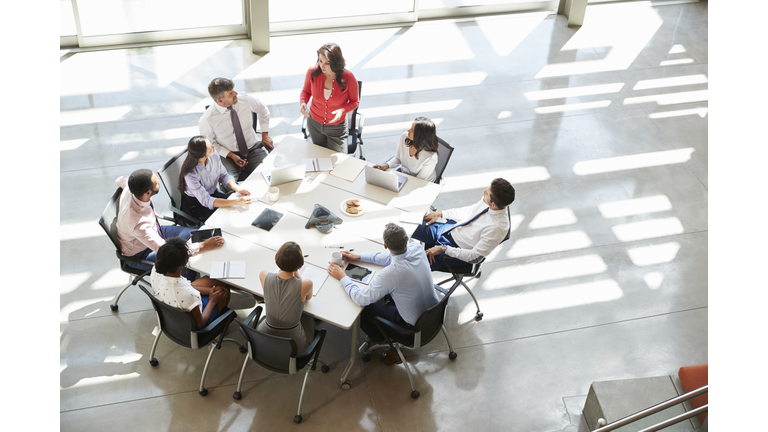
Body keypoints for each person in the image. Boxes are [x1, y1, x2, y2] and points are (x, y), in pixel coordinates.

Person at [326, 223, 439, 366]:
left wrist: (342, 276)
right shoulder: (417, 247)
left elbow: (361, 299)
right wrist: (359, 257)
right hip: (432, 314)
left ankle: (385, 343)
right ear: (407, 239)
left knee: (362, 310)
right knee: (386, 295)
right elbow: (390, 258)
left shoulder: (392, 273)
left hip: (412, 328)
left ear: (385, 245)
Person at [115, 169, 224, 278]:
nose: (159, 182)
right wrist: (203, 245)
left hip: (155, 230)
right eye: (157, 183)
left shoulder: (132, 186)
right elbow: (169, 252)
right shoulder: (140, 225)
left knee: (197, 234)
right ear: (148, 192)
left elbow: (119, 180)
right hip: (141, 254)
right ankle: (189, 289)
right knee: (187, 262)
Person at [411, 178, 515, 271]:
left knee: (411, 267)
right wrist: (441, 214)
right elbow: (469, 211)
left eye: (487, 193)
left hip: (455, 250)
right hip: (450, 230)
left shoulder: (497, 228)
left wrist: (444, 249)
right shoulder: (489, 201)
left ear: (494, 204)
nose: (484, 192)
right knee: (408, 224)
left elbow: (474, 257)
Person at [199, 77, 273, 183]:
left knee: (270, 175)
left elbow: (263, 110)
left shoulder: (245, 99)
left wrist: (265, 135)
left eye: (233, 90)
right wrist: (231, 155)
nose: (236, 93)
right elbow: (210, 145)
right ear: (220, 100)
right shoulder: (207, 120)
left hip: (252, 148)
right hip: (227, 155)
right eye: (230, 93)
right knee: (228, 184)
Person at [151, 237, 231, 328]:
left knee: (216, 283)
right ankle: (222, 328)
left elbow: (185, 288)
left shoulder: (156, 271)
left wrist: (209, 291)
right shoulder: (189, 294)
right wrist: (212, 301)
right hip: (194, 329)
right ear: (184, 263)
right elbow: (200, 323)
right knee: (224, 289)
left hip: (172, 319)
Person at [299, 43, 360, 153]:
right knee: (320, 158)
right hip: (314, 125)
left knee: (338, 163)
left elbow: (355, 101)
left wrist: (342, 110)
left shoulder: (348, 77)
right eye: (320, 61)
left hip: (337, 128)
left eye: (327, 63)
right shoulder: (312, 71)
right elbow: (306, 92)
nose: (322, 66)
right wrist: (303, 102)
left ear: (336, 62)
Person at [179, 135, 252, 223]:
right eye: (210, 148)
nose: (213, 147)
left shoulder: (214, 155)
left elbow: (223, 176)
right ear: (201, 157)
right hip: (197, 205)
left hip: (213, 194)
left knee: (239, 211)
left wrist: (238, 189)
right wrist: (236, 201)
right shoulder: (190, 174)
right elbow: (206, 201)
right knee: (228, 216)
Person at [257, 242, 315, 352]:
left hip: (264, 336)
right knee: (309, 316)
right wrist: (296, 272)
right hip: (294, 344)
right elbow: (308, 298)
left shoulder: (264, 275)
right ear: (299, 263)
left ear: (277, 259)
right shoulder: (306, 284)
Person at [373, 117, 439, 182]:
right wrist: (386, 165)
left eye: (412, 130)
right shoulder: (404, 136)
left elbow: (418, 181)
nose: (408, 130)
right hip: (405, 176)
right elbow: (398, 158)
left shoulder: (430, 157)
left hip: (421, 183)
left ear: (420, 136)